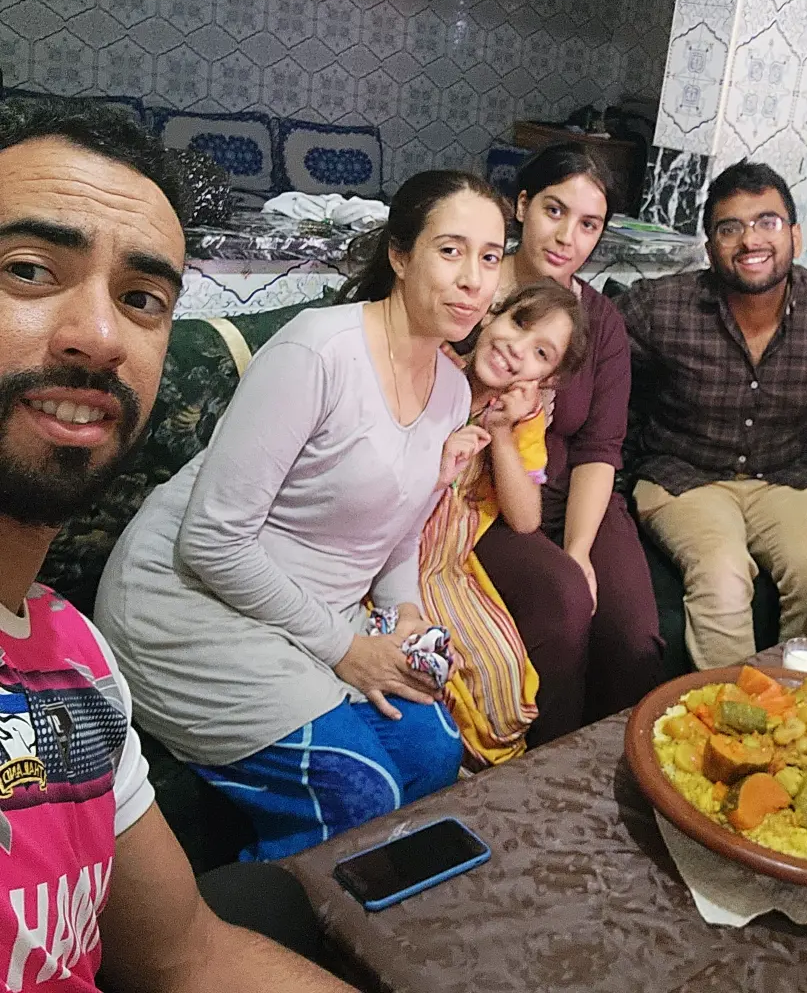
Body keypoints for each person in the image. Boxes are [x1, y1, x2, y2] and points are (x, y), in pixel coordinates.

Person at [0, 98, 350, 988]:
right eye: (32, 271)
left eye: (143, 298)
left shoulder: (74, 659)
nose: (102, 336)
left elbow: (188, 955)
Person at [95, 169, 507, 860]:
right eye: (451, 250)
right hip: (191, 605)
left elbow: (401, 524)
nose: (474, 279)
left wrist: (404, 613)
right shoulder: (317, 350)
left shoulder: (452, 391)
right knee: (359, 788)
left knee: (434, 752)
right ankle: (257, 945)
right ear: (401, 255)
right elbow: (212, 541)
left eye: (490, 257)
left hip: (311, 609)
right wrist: (347, 650)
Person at [617, 159, 807, 670]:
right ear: (710, 248)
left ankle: (795, 720)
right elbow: (593, 362)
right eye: (730, 228)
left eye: (767, 222)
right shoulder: (661, 308)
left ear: (795, 235)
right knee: (722, 574)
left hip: (783, 478)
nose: (751, 240)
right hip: (682, 475)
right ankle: (729, 728)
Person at [470, 144, 663, 744]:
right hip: (490, 504)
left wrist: (580, 548)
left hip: (577, 496)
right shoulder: (475, 295)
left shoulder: (601, 320)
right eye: (554, 211)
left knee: (634, 634)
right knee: (562, 603)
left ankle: (618, 775)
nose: (567, 238)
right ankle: (547, 772)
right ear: (522, 205)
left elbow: (601, 446)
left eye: (589, 225)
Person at [420, 280, 586, 763]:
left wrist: (501, 432)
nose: (516, 350)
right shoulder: (434, 368)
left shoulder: (520, 420)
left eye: (540, 353)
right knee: (434, 667)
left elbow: (526, 518)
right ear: (492, 315)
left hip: (448, 568)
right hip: (391, 554)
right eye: (518, 323)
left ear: (547, 379)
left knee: (502, 672)